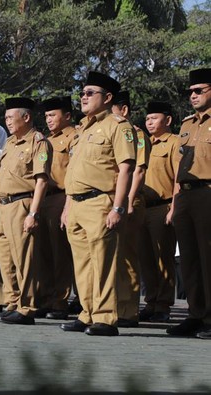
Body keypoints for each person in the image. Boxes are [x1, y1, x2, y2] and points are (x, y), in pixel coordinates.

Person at [60, 71, 136, 336]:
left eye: (90, 93)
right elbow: (74, 171)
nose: (83, 97)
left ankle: (105, 318)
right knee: (82, 264)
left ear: (108, 98)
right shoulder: (82, 128)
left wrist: (118, 207)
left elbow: (125, 168)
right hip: (77, 204)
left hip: (100, 201)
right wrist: (68, 206)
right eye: (81, 93)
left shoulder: (118, 126)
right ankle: (87, 313)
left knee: (103, 262)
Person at [0, 97, 51, 325]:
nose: (7, 122)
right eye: (5, 118)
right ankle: (12, 303)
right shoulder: (10, 143)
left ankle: (27, 307)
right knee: (6, 260)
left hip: (22, 204)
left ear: (26, 117)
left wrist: (33, 213)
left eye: (10, 117)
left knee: (24, 258)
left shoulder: (38, 142)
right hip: (3, 206)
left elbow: (41, 180)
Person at [170, 68, 211, 339]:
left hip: (208, 192)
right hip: (185, 194)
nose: (193, 96)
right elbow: (178, 167)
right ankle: (196, 314)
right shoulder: (187, 124)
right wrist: (175, 203)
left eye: (199, 90)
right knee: (189, 259)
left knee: (208, 258)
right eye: (190, 92)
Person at [111, 90, 151, 328]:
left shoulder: (136, 134)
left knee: (127, 255)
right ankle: (113, 306)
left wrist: (128, 199)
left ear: (123, 110)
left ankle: (128, 310)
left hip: (128, 200)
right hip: (113, 199)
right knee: (113, 256)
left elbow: (138, 170)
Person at [138, 101, 178, 323]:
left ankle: (163, 305)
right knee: (146, 258)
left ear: (168, 120)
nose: (149, 122)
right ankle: (151, 301)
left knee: (164, 259)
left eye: (154, 118)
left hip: (163, 206)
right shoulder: (144, 143)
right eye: (147, 119)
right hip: (143, 207)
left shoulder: (173, 143)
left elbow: (179, 178)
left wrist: (174, 207)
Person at [38, 96, 77, 320]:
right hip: (43, 198)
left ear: (67, 116)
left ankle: (60, 301)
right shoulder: (46, 140)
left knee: (60, 251)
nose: (49, 120)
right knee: (43, 252)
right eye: (46, 116)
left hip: (62, 196)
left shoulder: (75, 137)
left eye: (53, 115)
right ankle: (46, 297)